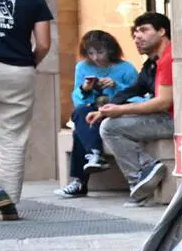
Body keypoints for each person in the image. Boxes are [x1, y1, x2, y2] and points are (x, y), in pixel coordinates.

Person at [0, 0, 53, 222]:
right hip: (18, 72)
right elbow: (44, 44)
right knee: (13, 139)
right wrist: (28, 65)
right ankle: (8, 205)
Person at [88, 12, 175, 203]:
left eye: (144, 30)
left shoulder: (169, 58)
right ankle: (144, 174)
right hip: (167, 117)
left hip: (176, 120)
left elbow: (164, 102)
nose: (137, 37)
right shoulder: (153, 63)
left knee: (110, 127)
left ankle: (141, 175)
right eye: (135, 33)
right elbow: (133, 89)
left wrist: (120, 111)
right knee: (106, 122)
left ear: (162, 31)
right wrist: (102, 111)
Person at [56, 29, 140, 198]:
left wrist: (116, 86)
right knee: (81, 115)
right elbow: (78, 99)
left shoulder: (126, 68)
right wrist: (85, 89)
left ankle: (81, 180)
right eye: (91, 53)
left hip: (119, 110)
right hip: (93, 110)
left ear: (110, 50)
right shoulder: (83, 67)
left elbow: (139, 95)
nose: (96, 58)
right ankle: (94, 155)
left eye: (100, 52)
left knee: (80, 130)